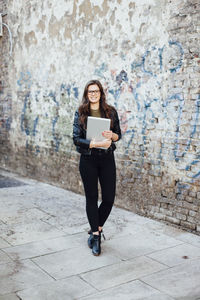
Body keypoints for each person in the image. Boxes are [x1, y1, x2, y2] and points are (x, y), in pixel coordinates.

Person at [73, 79, 121, 256]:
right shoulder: (80, 113)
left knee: (108, 198)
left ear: (101, 93)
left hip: (107, 158)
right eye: (90, 91)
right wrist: (93, 143)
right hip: (88, 160)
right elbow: (76, 139)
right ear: (87, 94)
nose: (93, 94)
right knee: (91, 198)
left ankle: (97, 228)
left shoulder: (110, 112)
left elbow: (118, 135)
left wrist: (112, 135)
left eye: (96, 91)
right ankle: (96, 236)